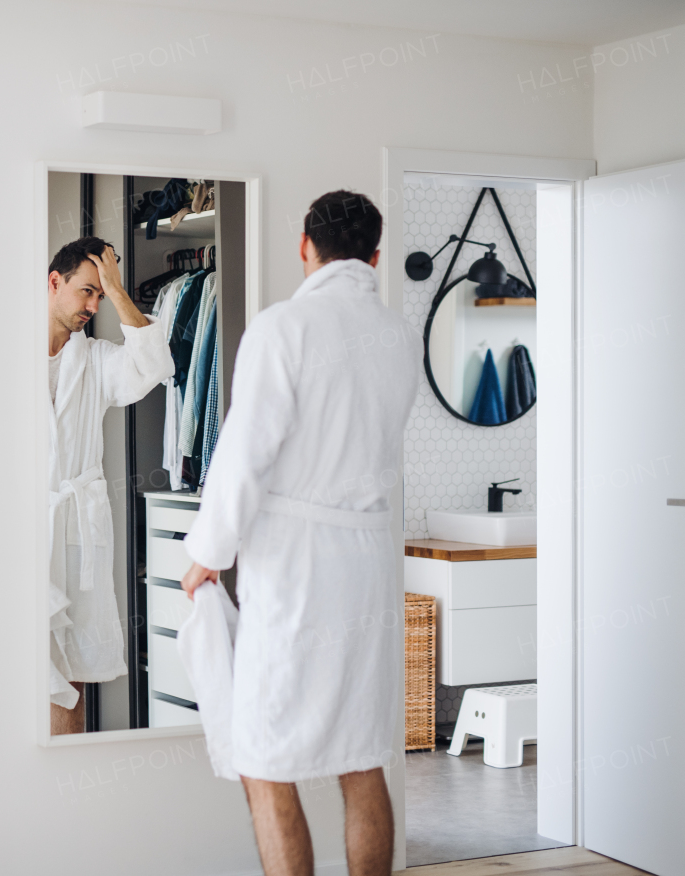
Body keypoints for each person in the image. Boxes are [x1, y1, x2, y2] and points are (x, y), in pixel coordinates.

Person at [180, 191, 421, 875]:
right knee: (361, 754)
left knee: (262, 756)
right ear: (375, 256)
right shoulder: (399, 337)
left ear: (303, 247)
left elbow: (245, 453)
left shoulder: (283, 326)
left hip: (297, 569)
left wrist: (206, 553)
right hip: (368, 568)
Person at [47, 236, 174, 735]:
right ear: (53, 282)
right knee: (21, 662)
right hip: (25, 527)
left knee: (74, 668)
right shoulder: (5, 355)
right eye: (86, 292)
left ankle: (67, 783)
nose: (92, 306)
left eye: (100, 295)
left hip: (77, 530)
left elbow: (153, 367)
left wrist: (119, 291)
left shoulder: (96, 359)